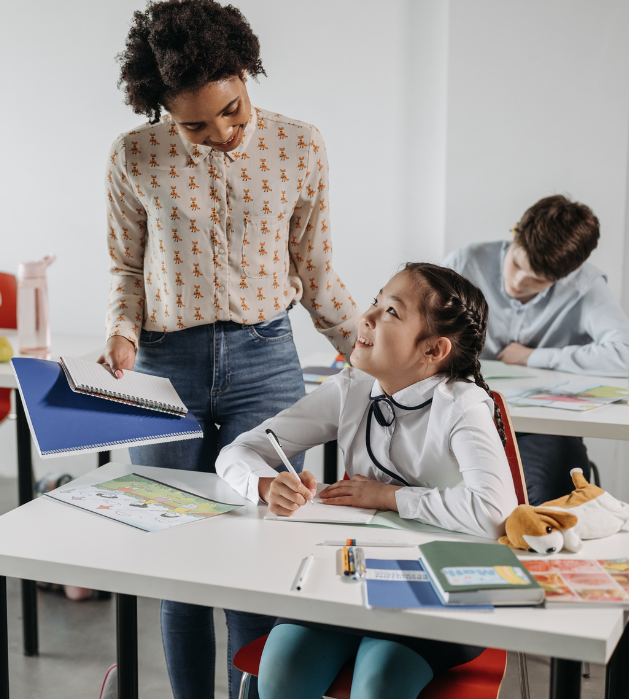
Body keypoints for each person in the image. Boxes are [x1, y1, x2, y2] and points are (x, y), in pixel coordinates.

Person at [98, 1, 358, 696]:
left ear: (246, 75)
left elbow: (316, 268)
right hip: (163, 365)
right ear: (162, 109)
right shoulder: (134, 156)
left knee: (255, 550)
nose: (222, 134)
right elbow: (126, 270)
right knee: (177, 558)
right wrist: (121, 334)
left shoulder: (300, 146)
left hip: (266, 358)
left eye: (233, 111)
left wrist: (367, 349)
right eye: (195, 124)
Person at [217, 263, 517, 699]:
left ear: (433, 350)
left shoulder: (463, 404)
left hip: (439, 587)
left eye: (391, 312)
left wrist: (389, 497)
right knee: (280, 673)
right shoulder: (352, 387)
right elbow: (238, 451)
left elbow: (494, 513)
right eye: (376, 300)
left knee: (378, 682)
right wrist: (266, 485)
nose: (367, 316)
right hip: (348, 578)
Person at [442, 194, 629, 504]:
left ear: (571, 272)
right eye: (516, 263)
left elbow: (623, 354)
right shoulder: (464, 263)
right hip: (460, 415)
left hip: (542, 431)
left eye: (537, 281)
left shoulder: (585, 286)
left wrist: (533, 357)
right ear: (515, 231)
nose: (517, 282)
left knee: (544, 496)